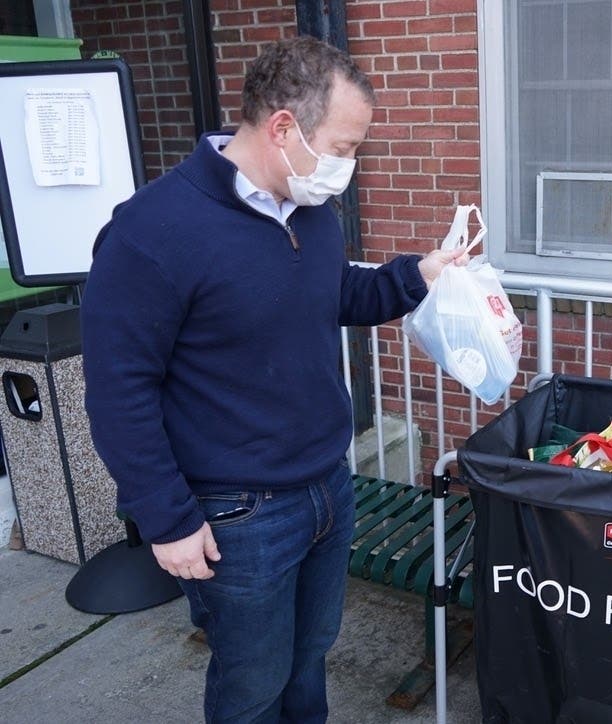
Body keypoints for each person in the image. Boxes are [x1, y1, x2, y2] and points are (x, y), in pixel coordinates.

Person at [81, 37, 464, 722]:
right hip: (237, 511)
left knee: (310, 654)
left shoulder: (307, 208)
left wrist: (417, 275)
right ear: (283, 127)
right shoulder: (150, 233)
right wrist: (167, 517)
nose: (347, 166)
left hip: (326, 483)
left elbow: (332, 296)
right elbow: (118, 390)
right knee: (252, 682)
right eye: (343, 147)